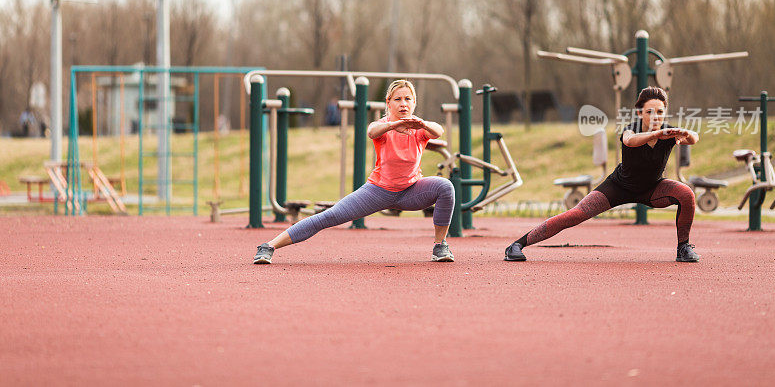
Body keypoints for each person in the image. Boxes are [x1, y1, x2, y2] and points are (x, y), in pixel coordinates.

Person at [253, 79, 456, 264]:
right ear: (389, 102)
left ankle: (440, 246)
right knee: (329, 217)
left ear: (414, 103)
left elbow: (438, 130)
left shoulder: (418, 127)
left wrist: (421, 124)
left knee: (445, 187)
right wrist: (393, 126)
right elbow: (371, 131)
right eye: (398, 99)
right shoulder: (384, 126)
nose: (403, 103)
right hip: (378, 191)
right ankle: (268, 246)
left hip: (411, 191)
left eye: (408, 99)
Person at [504, 86, 702, 263]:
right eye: (650, 112)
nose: (656, 116)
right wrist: (655, 135)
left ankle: (683, 248)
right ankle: (516, 245)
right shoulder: (631, 129)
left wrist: (685, 133)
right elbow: (630, 141)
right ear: (640, 113)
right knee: (575, 215)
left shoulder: (668, 133)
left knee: (686, 194)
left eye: (660, 112)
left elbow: (693, 139)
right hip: (618, 187)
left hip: (652, 189)